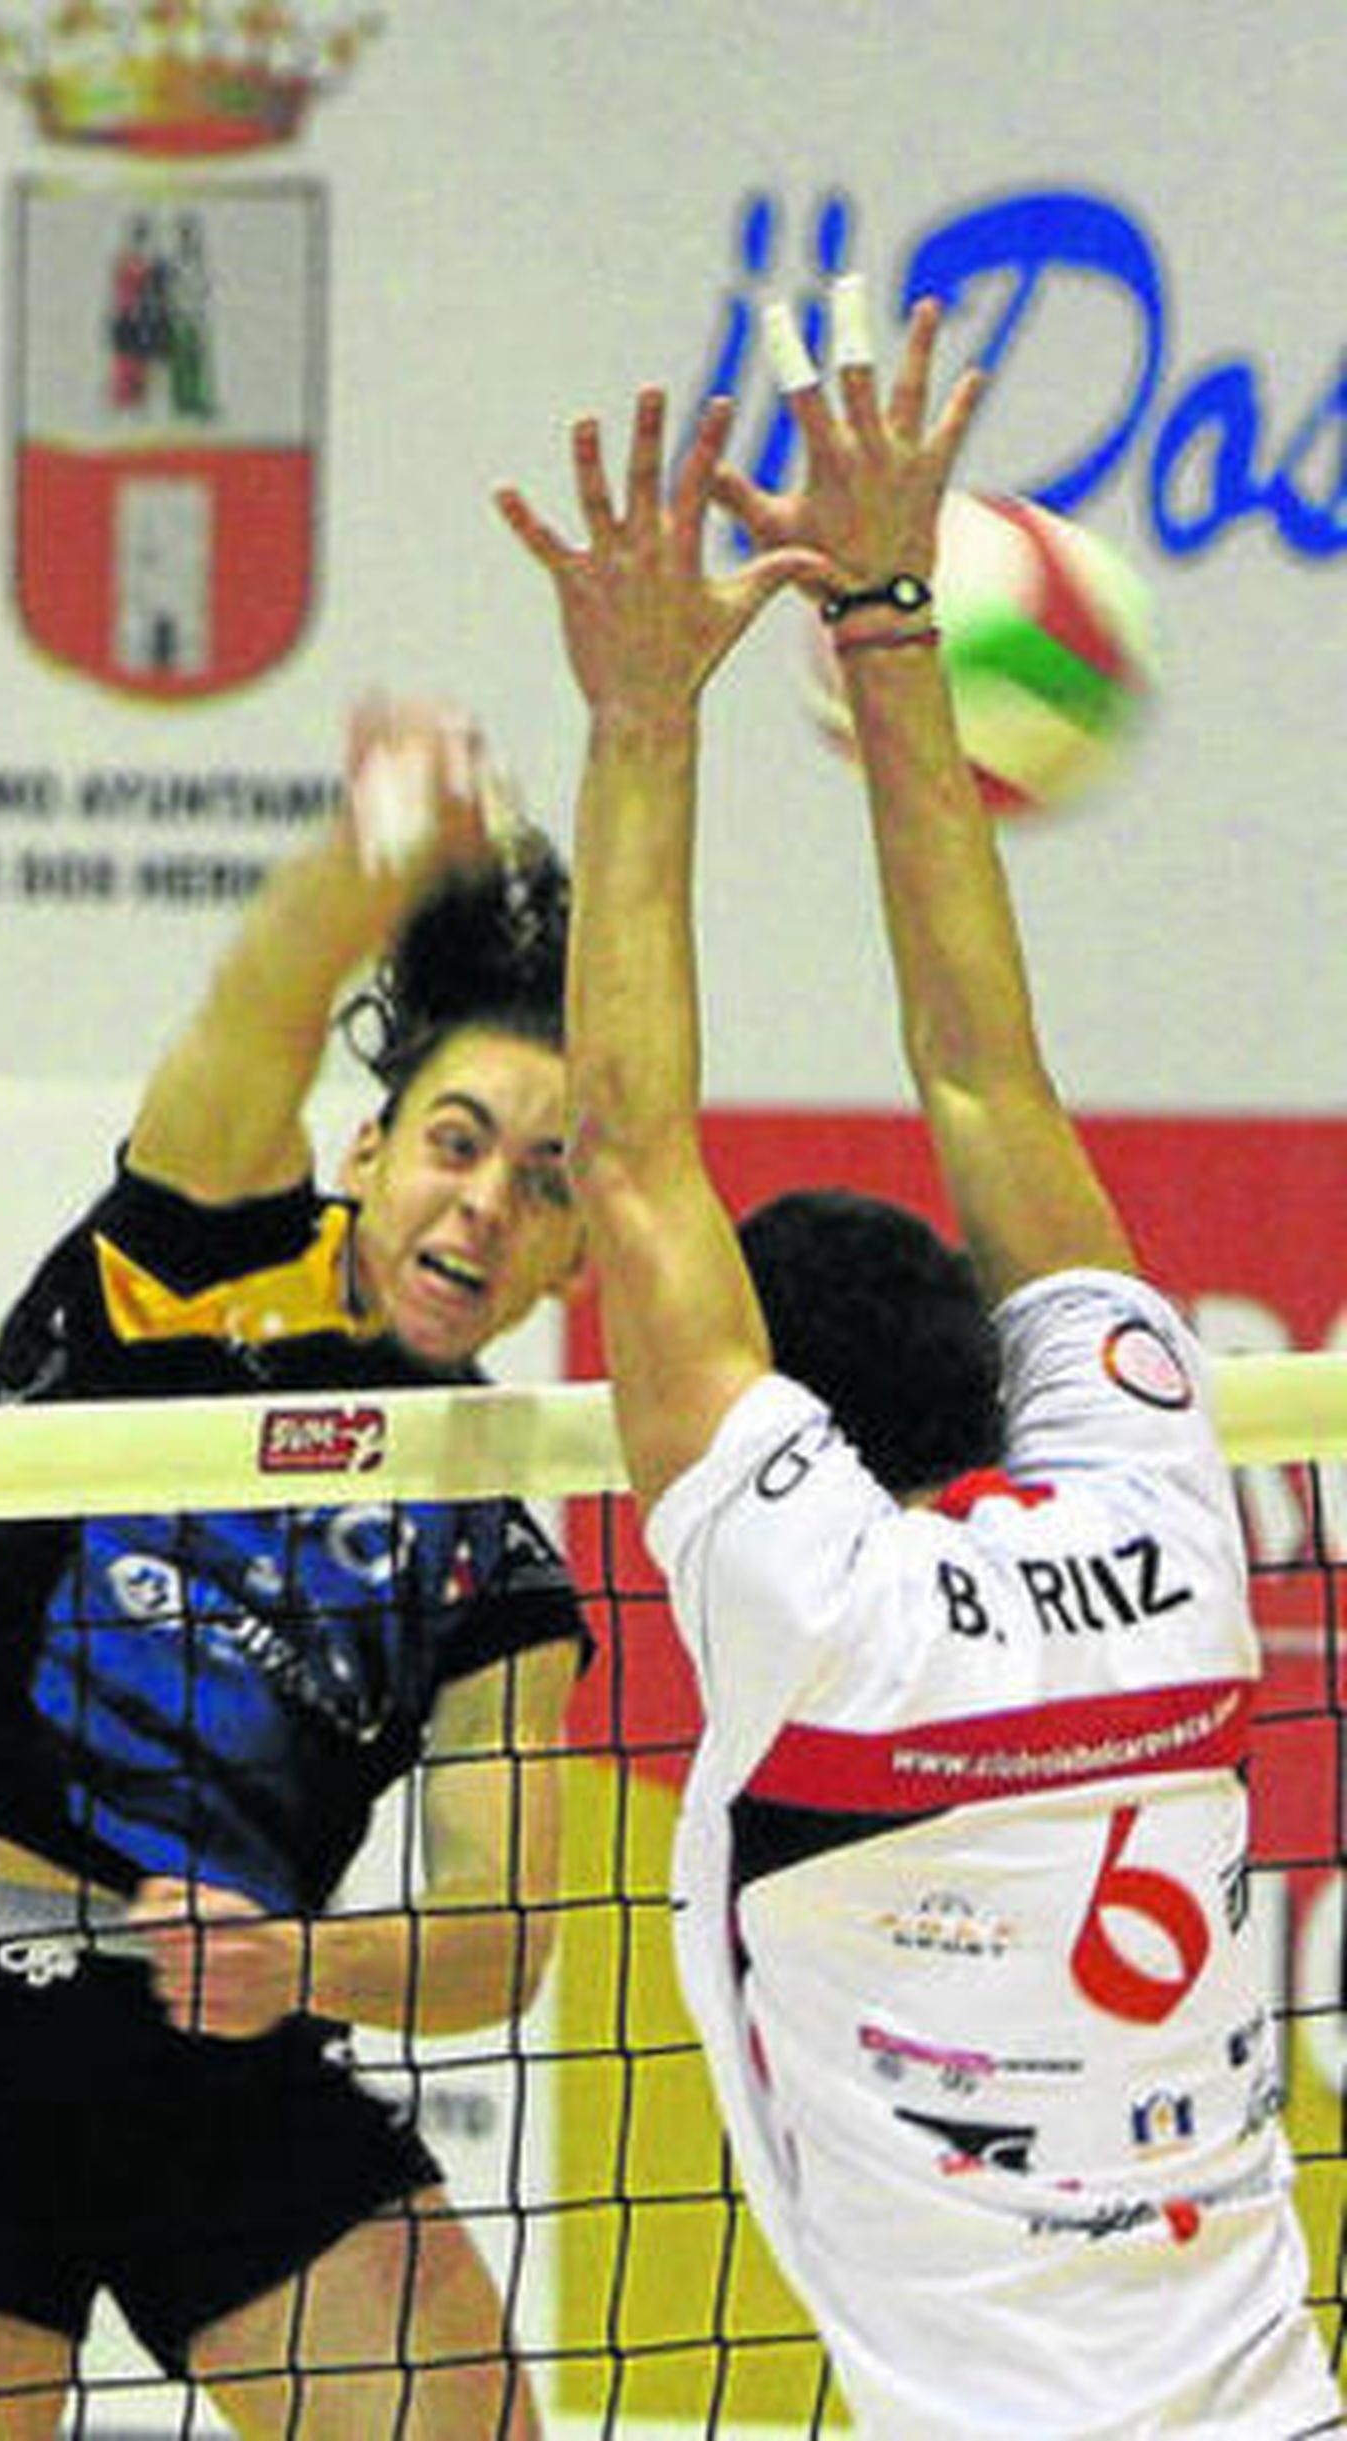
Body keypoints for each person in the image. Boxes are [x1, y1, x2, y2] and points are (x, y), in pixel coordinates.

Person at [496, 293, 1344, 2437]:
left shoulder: (820, 1617)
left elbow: (628, 1157)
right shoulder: (1169, 1515)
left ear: (789, 1422)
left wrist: (642, 719)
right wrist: (889, 620)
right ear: (991, 1368)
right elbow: (986, 1077)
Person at [0, 697, 592, 2441]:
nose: (483, 1206)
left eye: (545, 1183)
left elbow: (500, 1937)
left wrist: (299, 1967)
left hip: (216, 2022)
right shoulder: (196, 1252)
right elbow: (265, 1001)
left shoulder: (503, 1554)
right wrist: (382, 842)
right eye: (456, 1143)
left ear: (573, 1253)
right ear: (368, 1151)